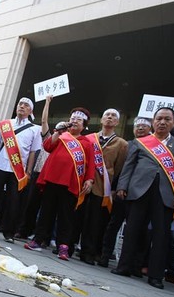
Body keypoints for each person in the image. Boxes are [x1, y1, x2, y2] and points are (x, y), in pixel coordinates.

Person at [112, 107, 174, 289]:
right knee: (132, 230)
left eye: (167, 119)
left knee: (161, 235)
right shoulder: (140, 142)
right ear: (153, 121)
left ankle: (156, 275)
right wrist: (122, 187)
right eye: (159, 119)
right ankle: (124, 266)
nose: (162, 122)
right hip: (138, 191)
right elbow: (129, 167)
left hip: (166, 195)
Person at [23, 108, 95, 259]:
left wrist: (89, 179)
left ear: (84, 125)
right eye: (73, 118)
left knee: (66, 216)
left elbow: (91, 165)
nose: (74, 121)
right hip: (52, 178)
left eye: (79, 120)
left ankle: (63, 246)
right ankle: (38, 239)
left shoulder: (87, 143)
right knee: (46, 212)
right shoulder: (62, 136)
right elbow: (47, 146)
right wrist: (58, 131)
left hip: (70, 182)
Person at [0, 97, 42, 243]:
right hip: (0, 164)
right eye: (20, 104)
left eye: (26, 105)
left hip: (18, 170)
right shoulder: (5, 124)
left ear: (30, 110)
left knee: (13, 201)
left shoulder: (35, 129)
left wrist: (29, 171)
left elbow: (32, 152)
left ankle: (8, 232)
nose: (22, 107)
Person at [98, 116, 152, 266]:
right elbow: (119, 168)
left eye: (144, 126)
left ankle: (135, 263)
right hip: (122, 192)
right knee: (113, 225)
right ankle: (104, 255)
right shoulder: (127, 145)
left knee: (139, 229)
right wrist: (116, 188)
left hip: (141, 194)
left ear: (150, 129)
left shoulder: (154, 149)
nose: (140, 128)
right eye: (137, 126)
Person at [78, 108, 127, 265]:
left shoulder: (121, 144)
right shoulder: (89, 138)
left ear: (117, 122)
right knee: (79, 216)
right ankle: (68, 246)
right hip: (84, 183)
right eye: (107, 115)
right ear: (101, 119)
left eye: (114, 116)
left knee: (95, 221)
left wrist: (112, 186)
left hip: (102, 187)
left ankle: (88, 252)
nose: (110, 118)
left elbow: (119, 168)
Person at [14, 95, 53, 240]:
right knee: (30, 203)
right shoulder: (49, 138)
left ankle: (43, 237)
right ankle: (23, 230)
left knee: (48, 209)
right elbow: (44, 121)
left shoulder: (68, 143)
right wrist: (47, 102)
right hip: (38, 174)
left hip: (52, 178)